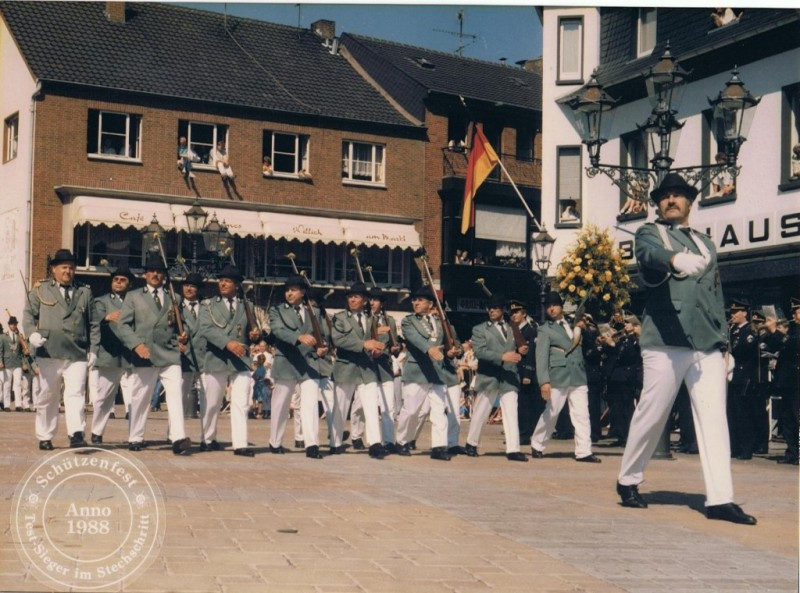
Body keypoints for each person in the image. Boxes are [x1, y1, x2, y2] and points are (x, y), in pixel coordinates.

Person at [616, 172, 756, 525]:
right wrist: (675, 259)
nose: (671, 200)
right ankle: (628, 478)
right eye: (665, 196)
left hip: (705, 343)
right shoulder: (652, 232)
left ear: (690, 202)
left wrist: (725, 343)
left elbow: (715, 295)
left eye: (678, 195)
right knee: (653, 412)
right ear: (658, 204)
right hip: (664, 341)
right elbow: (647, 253)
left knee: (713, 419)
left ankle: (720, 498)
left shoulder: (707, 243)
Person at [115, 253, 192, 454]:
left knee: (175, 396)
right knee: (141, 397)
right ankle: (135, 436)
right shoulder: (133, 296)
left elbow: (183, 325)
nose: (155, 275)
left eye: (159, 272)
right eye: (151, 271)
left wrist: (184, 335)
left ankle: (178, 438)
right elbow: (123, 326)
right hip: (144, 354)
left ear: (164, 276)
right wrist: (136, 345)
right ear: (145, 275)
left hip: (169, 354)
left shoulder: (174, 297)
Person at [23, 249, 92, 450]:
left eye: (71, 267)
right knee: (48, 395)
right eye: (64, 267)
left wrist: (93, 349)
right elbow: (28, 315)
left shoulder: (84, 292)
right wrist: (31, 334)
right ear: (54, 269)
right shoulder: (40, 290)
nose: (68, 271)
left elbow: (93, 323)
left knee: (76, 394)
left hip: (76, 352)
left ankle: (76, 434)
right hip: (49, 351)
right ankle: (45, 435)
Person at [197, 265, 261, 457]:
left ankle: (240, 444)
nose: (223, 283)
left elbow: (253, 330)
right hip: (216, 357)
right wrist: (227, 343)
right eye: (221, 280)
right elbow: (206, 329)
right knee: (212, 402)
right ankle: (207, 439)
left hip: (240, 359)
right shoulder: (207, 305)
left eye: (228, 281)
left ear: (237, 285)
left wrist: (255, 334)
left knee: (241, 401)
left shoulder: (246, 306)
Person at [531, 292, 600, 463]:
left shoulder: (574, 323)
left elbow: (591, 339)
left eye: (554, 305)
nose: (551, 309)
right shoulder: (545, 329)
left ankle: (584, 451)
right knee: (552, 412)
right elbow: (541, 357)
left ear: (561, 306)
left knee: (582, 414)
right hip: (558, 375)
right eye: (548, 307)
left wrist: (586, 327)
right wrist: (544, 381)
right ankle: (537, 443)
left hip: (577, 374)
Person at [268, 275, 331, 459]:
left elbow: (325, 336)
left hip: (310, 362)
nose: (289, 293)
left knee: (310, 404)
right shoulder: (277, 310)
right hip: (286, 360)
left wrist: (323, 348)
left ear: (303, 292)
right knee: (281, 404)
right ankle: (275, 441)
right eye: (287, 290)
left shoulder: (315, 312)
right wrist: (298, 337)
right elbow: (278, 330)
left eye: (293, 289)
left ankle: (312, 444)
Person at [395, 286, 458, 460]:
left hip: (437, 372)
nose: (416, 303)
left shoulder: (441, 323)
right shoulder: (409, 321)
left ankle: (439, 447)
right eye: (414, 300)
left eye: (420, 300)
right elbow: (413, 338)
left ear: (431, 304)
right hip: (417, 371)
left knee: (439, 410)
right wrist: (429, 349)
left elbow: (450, 343)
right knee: (411, 410)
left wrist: (452, 351)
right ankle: (401, 441)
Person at [464, 296, 527, 461]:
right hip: (489, 375)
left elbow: (519, 348)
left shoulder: (513, 328)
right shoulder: (480, 329)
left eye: (496, 308)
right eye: (489, 308)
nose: (491, 310)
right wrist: (502, 356)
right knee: (481, 411)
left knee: (511, 412)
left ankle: (513, 449)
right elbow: (480, 351)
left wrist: (522, 350)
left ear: (503, 310)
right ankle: (471, 443)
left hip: (509, 375)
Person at [331, 282, 387, 459]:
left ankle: (375, 443)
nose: (352, 299)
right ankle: (335, 441)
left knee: (371, 405)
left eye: (356, 297)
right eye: (350, 297)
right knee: (340, 407)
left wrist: (378, 349)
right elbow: (339, 340)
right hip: (345, 366)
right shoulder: (339, 318)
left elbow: (376, 340)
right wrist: (364, 344)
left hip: (366, 367)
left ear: (365, 301)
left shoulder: (372, 319)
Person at [88, 264, 135, 443]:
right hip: (109, 353)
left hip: (131, 355)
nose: (118, 283)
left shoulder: (135, 300)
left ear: (129, 284)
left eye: (122, 280)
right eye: (115, 280)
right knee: (104, 396)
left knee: (134, 398)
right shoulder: (101, 301)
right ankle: (97, 431)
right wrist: (106, 318)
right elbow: (94, 323)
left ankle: (134, 436)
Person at [367, 287, 401, 453]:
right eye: (370, 299)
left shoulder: (390, 321)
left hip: (384, 366)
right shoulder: (365, 319)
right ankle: (360, 437)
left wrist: (395, 348)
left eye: (376, 300)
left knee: (388, 405)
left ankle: (388, 441)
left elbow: (394, 345)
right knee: (365, 406)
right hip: (368, 366)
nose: (372, 302)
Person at [726, 300, 759, 460]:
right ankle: (734, 446)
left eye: (736, 312)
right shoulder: (732, 330)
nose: (733, 315)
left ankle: (746, 448)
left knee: (743, 413)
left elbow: (743, 349)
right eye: (732, 312)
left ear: (745, 313)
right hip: (732, 376)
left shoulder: (749, 330)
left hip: (744, 375)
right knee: (732, 413)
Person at [773, 299, 799, 465]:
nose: (794, 315)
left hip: (797, 381)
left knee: (797, 416)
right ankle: (792, 452)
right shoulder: (792, 330)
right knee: (787, 416)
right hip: (788, 380)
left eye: (798, 311)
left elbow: (794, 345)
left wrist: (776, 332)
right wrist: (771, 334)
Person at [179, 273, 205, 425]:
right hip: (184, 356)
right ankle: (175, 433)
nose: (188, 289)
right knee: (180, 395)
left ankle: (207, 435)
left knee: (207, 396)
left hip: (205, 357)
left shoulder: (207, 307)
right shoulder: (176, 306)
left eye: (192, 286)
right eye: (186, 285)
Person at [1, 317, 32, 411]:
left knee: (18, 384)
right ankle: (6, 405)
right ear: (9, 325)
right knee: (7, 384)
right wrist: (0, 361)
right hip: (7, 363)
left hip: (17, 363)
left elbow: (22, 351)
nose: (13, 326)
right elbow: (0, 351)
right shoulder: (3, 337)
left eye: (15, 324)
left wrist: (25, 352)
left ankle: (18, 405)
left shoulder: (20, 336)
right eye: (12, 324)